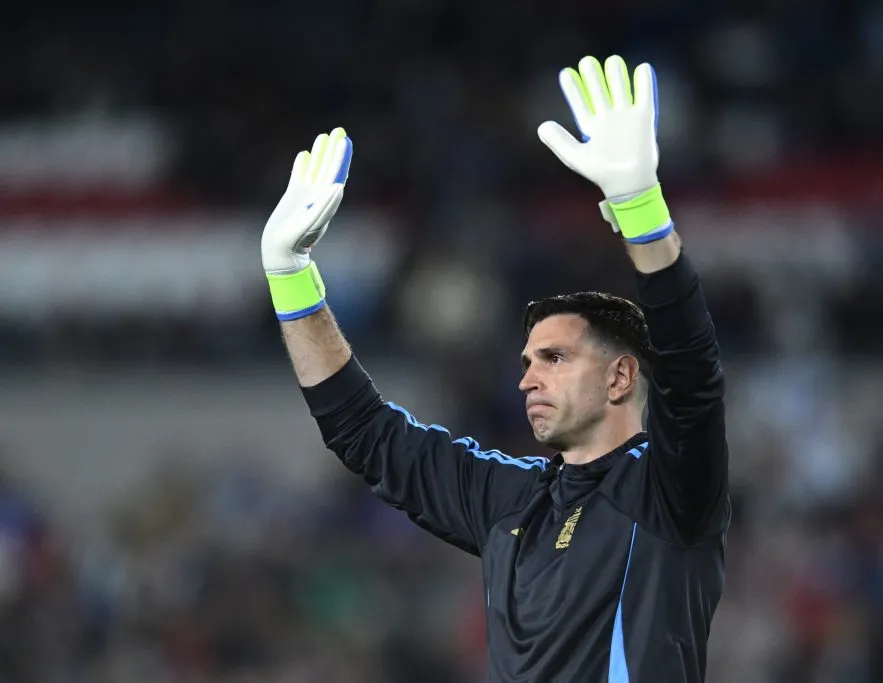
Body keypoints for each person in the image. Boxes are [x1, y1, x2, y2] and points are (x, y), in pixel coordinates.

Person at [260, 55, 730, 682]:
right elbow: (367, 436)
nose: (528, 379)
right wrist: (291, 282)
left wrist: (643, 213)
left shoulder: (672, 490)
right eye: (527, 361)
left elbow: (692, 375)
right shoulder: (509, 501)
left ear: (620, 378)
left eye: (555, 359)